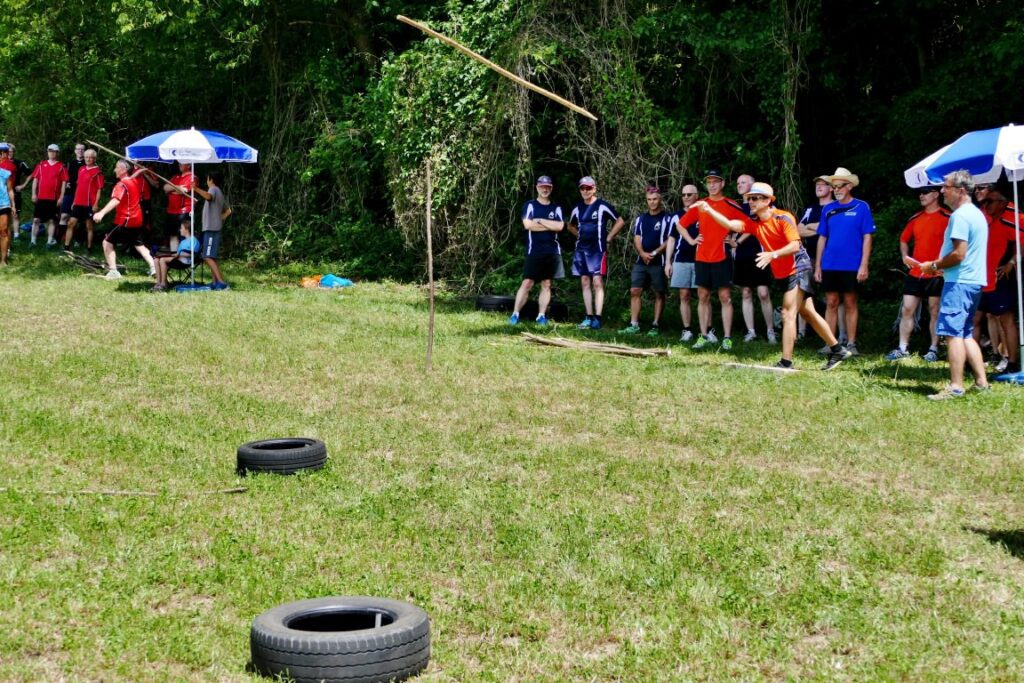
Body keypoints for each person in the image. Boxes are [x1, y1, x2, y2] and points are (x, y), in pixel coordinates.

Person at [698, 182, 851, 370]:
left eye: (755, 198)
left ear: (767, 201)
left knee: (788, 313)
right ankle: (838, 350)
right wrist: (709, 210)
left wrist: (773, 254)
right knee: (808, 313)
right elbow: (731, 225)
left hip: (799, 267)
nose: (750, 201)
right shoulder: (755, 223)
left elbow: (795, 245)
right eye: (749, 198)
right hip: (784, 272)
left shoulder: (783, 217)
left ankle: (786, 362)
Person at [918, 170, 989, 399]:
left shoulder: (960, 216)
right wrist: (941, 267)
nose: (941, 191)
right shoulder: (976, 213)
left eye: (946, 187)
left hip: (959, 283)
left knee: (952, 333)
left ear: (960, 191)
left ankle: (956, 387)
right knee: (965, 333)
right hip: (973, 282)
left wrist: (934, 265)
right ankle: (982, 383)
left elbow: (959, 254)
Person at [677, 169, 751, 350]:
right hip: (702, 256)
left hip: (722, 256)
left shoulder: (730, 204)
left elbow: (750, 225)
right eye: (709, 182)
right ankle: (703, 336)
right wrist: (691, 240)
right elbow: (680, 225)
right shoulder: (700, 204)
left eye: (715, 181)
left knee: (725, 297)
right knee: (702, 296)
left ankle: (727, 338)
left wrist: (736, 242)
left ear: (722, 183)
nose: (712, 185)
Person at [814, 167, 874, 355]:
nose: (836, 190)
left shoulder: (862, 206)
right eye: (834, 187)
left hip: (852, 264)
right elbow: (822, 237)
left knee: (850, 302)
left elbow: (867, 237)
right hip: (830, 264)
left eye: (840, 186)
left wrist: (864, 264)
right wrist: (818, 266)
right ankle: (830, 344)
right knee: (831, 302)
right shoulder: (828, 209)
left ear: (849, 186)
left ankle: (851, 344)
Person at [886, 186, 950, 362]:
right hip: (916, 271)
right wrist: (904, 256)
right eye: (919, 193)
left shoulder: (948, 217)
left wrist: (945, 265)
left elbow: (957, 244)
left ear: (936, 194)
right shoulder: (916, 218)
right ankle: (902, 348)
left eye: (925, 192)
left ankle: (933, 349)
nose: (921, 195)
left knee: (934, 310)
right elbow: (903, 239)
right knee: (907, 308)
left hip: (937, 272)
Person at [568, 175, 624, 330]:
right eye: (582, 188)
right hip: (581, 250)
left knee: (597, 282)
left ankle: (597, 318)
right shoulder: (577, 208)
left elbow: (620, 221)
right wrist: (580, 235)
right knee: (585, 281)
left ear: (594, 189)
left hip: (598, 250)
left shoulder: (602, 206)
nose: (585, 191)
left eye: (588, 188)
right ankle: (588, 316)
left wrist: (609, 238)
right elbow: (570, 226)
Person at [509, 176, 564, 325]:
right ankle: (515, 314)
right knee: (527, 282)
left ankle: (541, 316)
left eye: (547, 187)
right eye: (542, 186)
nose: (545, 189)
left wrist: (539, 220)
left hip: (552, 251)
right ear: (537, 188)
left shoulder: (556, 208)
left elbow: (560, 226)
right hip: (534, 250)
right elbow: (528, 225)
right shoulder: (530, 205)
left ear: (551, 188)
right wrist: (549, 225)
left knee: (546, 284)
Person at [975, 189, 1020, 373]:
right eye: (984, 202)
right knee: (974, 318)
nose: (985, 205)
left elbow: (1021, 242)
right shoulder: (982, 218)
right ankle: (972, 361)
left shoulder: (1011, 218)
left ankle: (1012, 362)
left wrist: (1011, 262)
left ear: (1002, 202)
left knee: (1006, 320)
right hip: (979, 278)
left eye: (990, 201)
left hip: (999, 279)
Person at [92, 160, 156, 280]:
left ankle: (113, 272)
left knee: (107, 242)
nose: (114, 170)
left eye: (117, 167)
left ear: (123, 170)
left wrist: (101, 213)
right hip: (137, 219)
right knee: (139, 244)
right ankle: (154, 267)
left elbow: (116, 200)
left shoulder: (121, 184)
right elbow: (131, 177)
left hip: (125, 219)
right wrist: (140, 172)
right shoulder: (134, 181)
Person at [732, 174, 775, 343]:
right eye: (738, 183)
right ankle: (751, 331)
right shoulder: (736, 207)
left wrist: (738, 240)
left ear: (752, 184)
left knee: (763, 293)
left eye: (743, 182)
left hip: (760, 254)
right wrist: (732, 241)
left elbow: (757, 225)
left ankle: (770, 331)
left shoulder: (762, 204)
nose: (739, 185)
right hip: (742, 255)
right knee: (746, 292)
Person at [622, 186, 671, 335]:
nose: (652, 202)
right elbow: (637, 238)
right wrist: (643, 253)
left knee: (659, 293)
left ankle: (655, 325)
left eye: (655, 199)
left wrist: (655, 253)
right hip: (641, 261)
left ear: (660, 199)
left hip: (659, 261)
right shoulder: (641, 219)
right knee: (635, 290)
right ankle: (634, 324)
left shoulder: (667, 218)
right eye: (649, 199)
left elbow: (670, 240)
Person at [796, 176, 832, 338]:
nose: (819, 187)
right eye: (817, 184)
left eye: (823, 184)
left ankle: (832, 334)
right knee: (803, 293)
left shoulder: (836, 207)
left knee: (831, 296)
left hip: (831, 257)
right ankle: (801, 332)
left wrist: (811, 226)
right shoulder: (811, 208)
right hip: (809, 256)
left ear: (831, 188)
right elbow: (799, 230)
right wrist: (819, 228)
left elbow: (832, 228)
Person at [665, 184, 700, 341]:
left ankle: (707, 330)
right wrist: (668, 262)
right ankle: (687, 330)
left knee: (703, 295)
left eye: (689, 194)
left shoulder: (703, 213)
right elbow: (671, 240)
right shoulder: (676, 216)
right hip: (681, 259)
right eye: (683, 195)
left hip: (702, 260)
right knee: (684, 295)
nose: (686, 197)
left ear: (697, 196)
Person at [191, 170, 232, 290]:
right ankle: (214, 283)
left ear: (211, 180)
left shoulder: (213, 189)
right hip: (214, 227)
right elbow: (228, 211)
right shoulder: (220, 192)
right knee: (212, 256)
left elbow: (209, 197)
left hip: (211, 229)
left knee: (207, 256)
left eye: (207, 179)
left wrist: (196, 189)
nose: (207, 181)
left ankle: (221, 283)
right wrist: (219, 218)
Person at [63, 149, 104, 252]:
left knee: (89, 226)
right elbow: (79, 186)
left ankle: (89, 249)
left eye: (90, 157)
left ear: (94, 159)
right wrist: (74, 201)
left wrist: (96, 204)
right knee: (71, 223)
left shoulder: (98, 172)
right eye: (86, 157)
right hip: (78, 202)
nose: (88, 159)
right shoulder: (81, 169)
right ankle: (66, 248)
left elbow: (99, 189)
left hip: (89, 203)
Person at [28, 144, 69, 248]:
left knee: (52, 220)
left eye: (54, 151)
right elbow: (35, 180)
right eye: (50, 151)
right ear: (47, 152)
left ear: (57, 153)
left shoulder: (61, 166)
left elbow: (64, 182)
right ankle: (33, 241)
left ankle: (49, 242)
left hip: (54, 198)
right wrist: (33, 194)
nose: (52, 153)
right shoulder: (41, 165)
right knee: (36, 220)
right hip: (41, 197)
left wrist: (61, 197)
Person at [152, 223, 201, 292]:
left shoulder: (194, 240)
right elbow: (177, 253)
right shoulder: (183, 241)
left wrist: (179, 255)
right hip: (178, 259)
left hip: (185, 262)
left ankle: (163, 284)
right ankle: (158, 283)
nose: (180, 230)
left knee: (162, 260)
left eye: (181, 228)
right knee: (156, 259)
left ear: (187, 229)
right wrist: (174, 254)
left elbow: (192, 254)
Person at [163, 161, 195, 250]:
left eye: (182, 162)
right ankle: (174, 255)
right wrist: (177, 188)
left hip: (184, 211)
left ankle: (184, 255)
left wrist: (172, 189)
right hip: (171, 211)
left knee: (184, 234)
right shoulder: (175, 177)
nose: (179, 164)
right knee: (173, 235)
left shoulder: (192, 177)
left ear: (188, 165)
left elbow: (183, 191)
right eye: (179, 162)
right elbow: (165, 187)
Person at [59, 143, 86, 240]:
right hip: (69, 192)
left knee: (81, 218)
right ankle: (59, 238)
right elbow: (62, 177)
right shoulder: (69, 164)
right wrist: (65, 183)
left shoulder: (88, 164)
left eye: (82, 149)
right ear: (75, 151)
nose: (80, 151)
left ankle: (78, 240)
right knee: (64, 216)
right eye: (78, 149)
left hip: (82, 194)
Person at [0, 143, 18, 243]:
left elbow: (9, 187)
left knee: (5, 226)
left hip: (4, 198)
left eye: (4, 152)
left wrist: (12, 205)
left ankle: (7, 248)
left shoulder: (10, 166)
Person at [0, 147, 14, 266]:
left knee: (3, 231)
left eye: (2, 154)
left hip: (3, 204)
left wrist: (13, 205)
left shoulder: (6, 173)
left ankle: (3, 260)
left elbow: (10, 190)